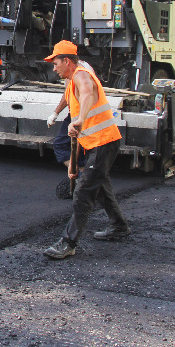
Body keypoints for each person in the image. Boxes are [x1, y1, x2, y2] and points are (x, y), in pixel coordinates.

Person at [42, 40, 130, 259]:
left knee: (83, 191)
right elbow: (79, 110)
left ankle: (68, 243)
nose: (54, 68)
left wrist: (80, 119)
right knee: (100, 187)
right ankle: (119, 226)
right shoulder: (72, 81)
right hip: (97, 142)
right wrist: (73, 159)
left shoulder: (81, 75)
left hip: (104, 142)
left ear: (67, 61)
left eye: (56, 63)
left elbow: (88, 93)